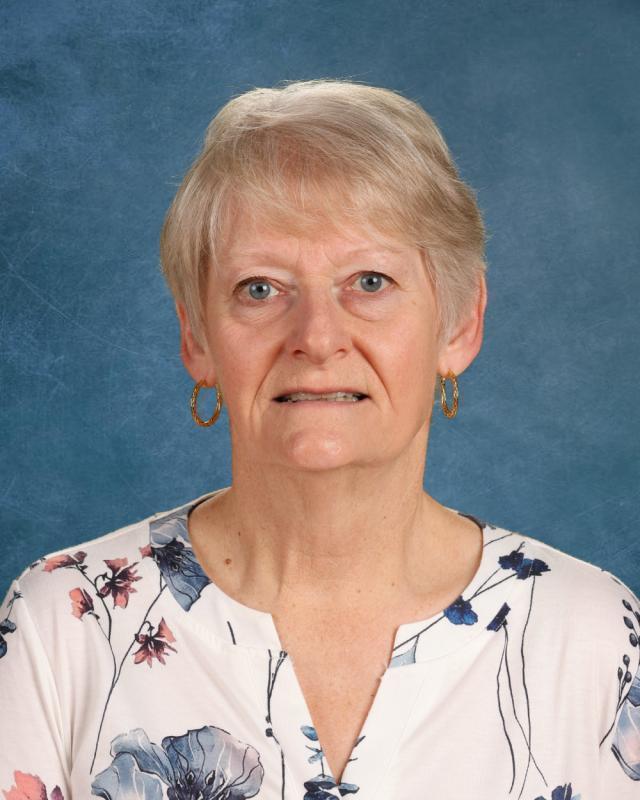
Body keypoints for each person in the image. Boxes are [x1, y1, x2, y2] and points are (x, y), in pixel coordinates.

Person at [1, 78, 638, 800]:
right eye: (261, 288)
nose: (317, 337)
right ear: (196, 336)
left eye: (369, 281)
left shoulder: (595, 638)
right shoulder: (65, 624)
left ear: (458, 325)